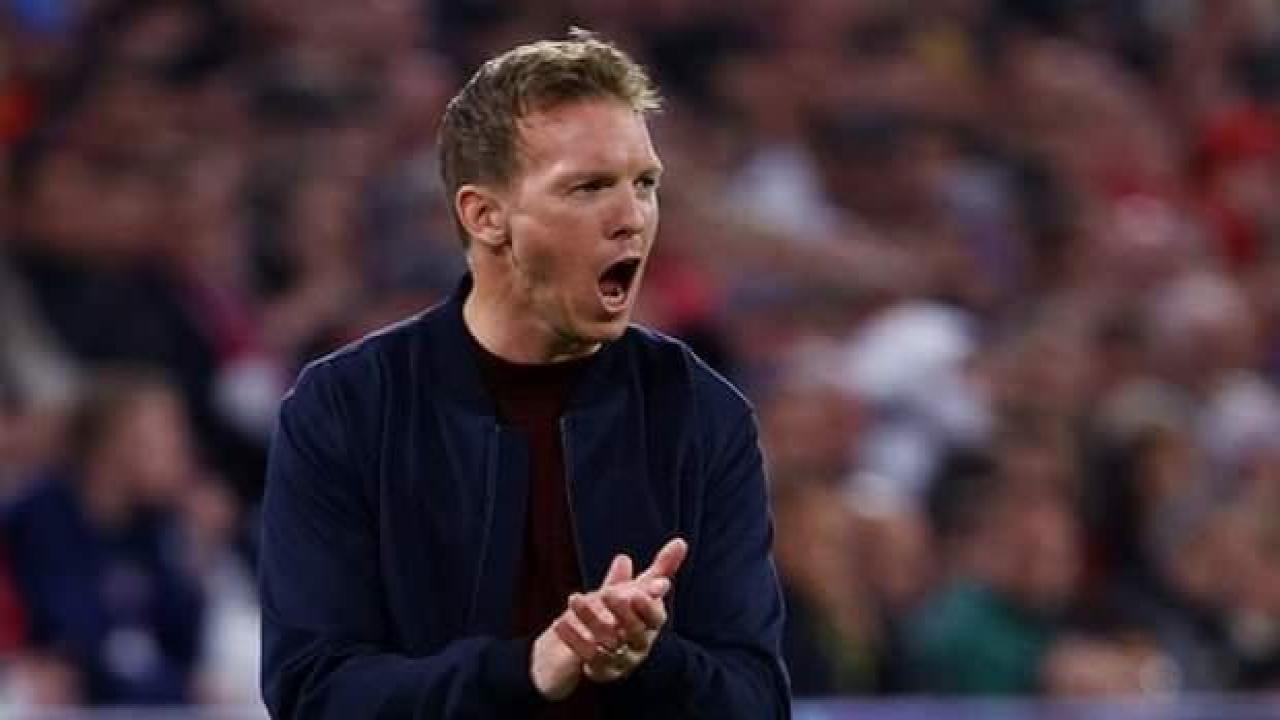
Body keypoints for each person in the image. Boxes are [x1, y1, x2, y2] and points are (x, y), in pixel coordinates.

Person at [258, 31, 790, 719]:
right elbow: (315, 693)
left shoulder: (700, 412)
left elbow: (757, 701)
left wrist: (647, 658)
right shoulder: (349, 408)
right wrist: (528, 668)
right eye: (589, 187)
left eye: (644, 184)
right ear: (486, 217)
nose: (632, 218)